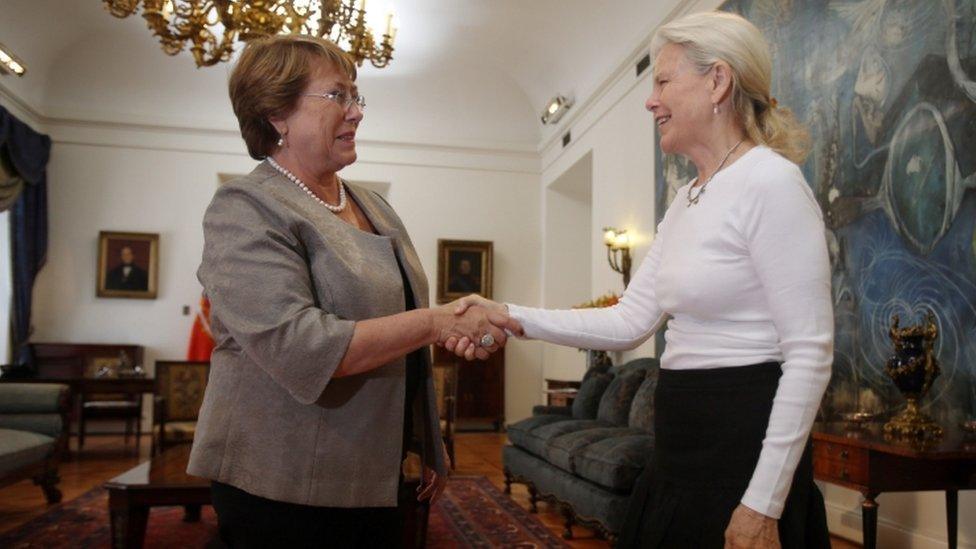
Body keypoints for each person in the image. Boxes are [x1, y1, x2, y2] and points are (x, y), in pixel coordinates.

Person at [448, 11, 832, 549]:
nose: (650, 100)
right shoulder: (687, 198)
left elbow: (810, 354)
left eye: (663, 81)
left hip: (741, 446)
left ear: (718, 81)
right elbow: (630, 319)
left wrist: (762, 504)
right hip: (678, 442)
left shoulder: (772, 183)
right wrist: (510, 315)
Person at [187, 34, 517, 548]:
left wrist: (426, 438)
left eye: (357, 96)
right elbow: (299, 346)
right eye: (337, 95)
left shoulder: (372, 204)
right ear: (278, 113)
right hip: (286, 479)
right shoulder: (244, 207)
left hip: (377, 468)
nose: (357, 112)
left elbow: (401, 323)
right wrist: (439, 322)